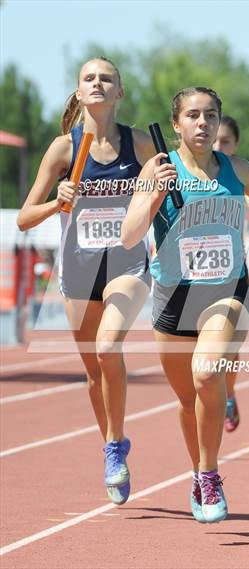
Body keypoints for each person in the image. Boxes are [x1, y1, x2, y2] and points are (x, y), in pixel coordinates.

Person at [121, 86, 249, 523]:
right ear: (176, 124)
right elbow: (128, 235)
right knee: (186, 400)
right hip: (173, 299)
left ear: (219, 122)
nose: (203, 123)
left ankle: (210, 472)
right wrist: (154, 197)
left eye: (211, 115)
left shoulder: (236, 168)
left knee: (206, 372)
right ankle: (198, 473)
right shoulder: (158, 170)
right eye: (194, 116)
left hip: (227, 292)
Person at [17, 57, 155, 504]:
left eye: (107, 78)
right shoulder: (63, 149)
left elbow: (173, 193)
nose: (97, 84)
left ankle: (114, 446)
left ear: (120, 92)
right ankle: (113, 444)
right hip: (79, 270)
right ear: (79, 93)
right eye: (89, 78)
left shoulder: (140, 144)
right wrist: (58, 202)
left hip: (128, 265)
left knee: (108, 346)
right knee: (95, 374)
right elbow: (24, 218)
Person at [213, 115, 249, 433]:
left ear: (236, 145)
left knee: (227, 352)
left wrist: (241, 200)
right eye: (215, 140)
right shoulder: (185, 172)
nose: (218, 146)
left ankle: (229, 393)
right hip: (187, 278)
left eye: (226, 141)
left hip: (232, 274)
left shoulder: (239, 178)